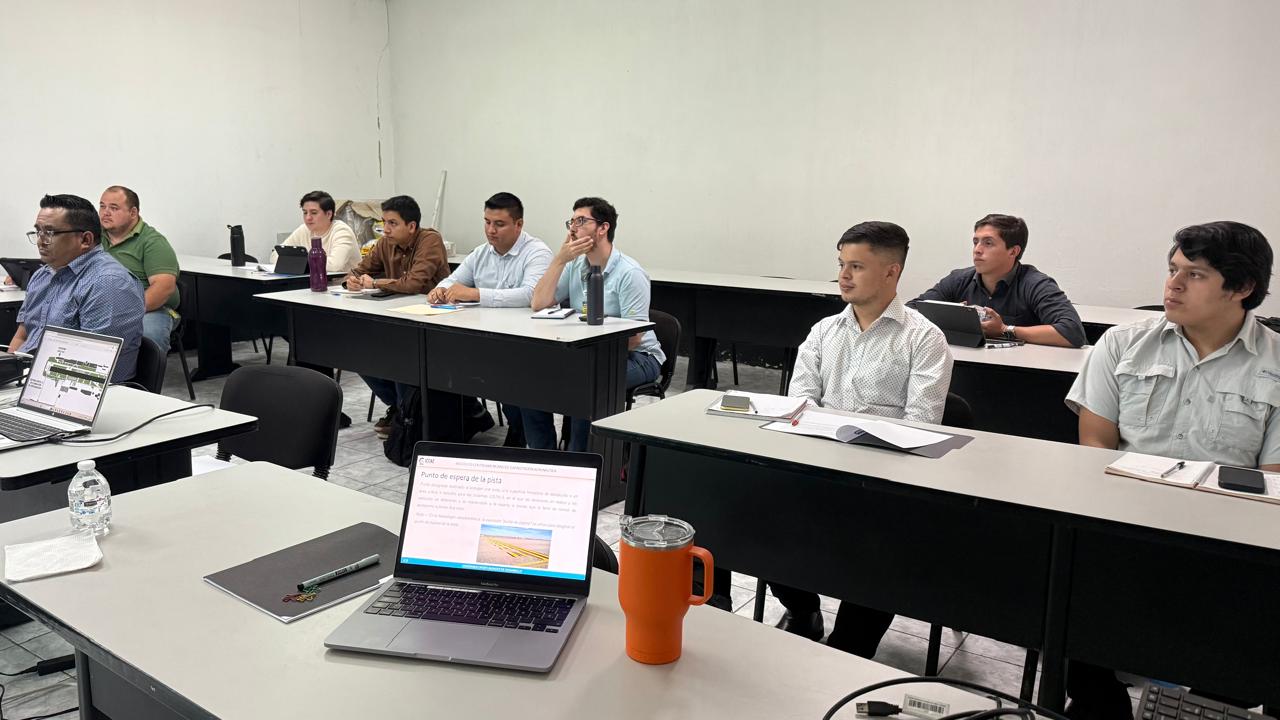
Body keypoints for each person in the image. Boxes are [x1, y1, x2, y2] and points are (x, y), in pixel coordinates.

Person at [1063, 221, 1279, 720]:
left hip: (1227, 543)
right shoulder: (1122, 344)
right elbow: (1094, 448)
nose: (1173, 285)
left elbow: (1272, 485)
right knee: (1074, 585)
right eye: (1172, 269)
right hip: (1124, 528)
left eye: (1195, 275)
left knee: (1237, 658)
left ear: (1242, 287)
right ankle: (1098, 699)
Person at [764, 221, 953, 657]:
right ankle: (803, 610)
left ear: (891, 272)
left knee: (884, 549)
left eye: (856, 267)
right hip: (819, 467)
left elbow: (920, 426)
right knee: (758, 512)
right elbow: (800, 404)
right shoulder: (823, 331)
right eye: (841, 265)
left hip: (883, 483)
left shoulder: (924, 338)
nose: (843, 276)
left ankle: (849, 648)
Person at [522, 197, 663, 451]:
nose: (573, 229)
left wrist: (586, 355)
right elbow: (539, 303)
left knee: (585, 383)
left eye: (581, 221)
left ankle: (580, 459)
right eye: (571, 222)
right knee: (530, 379)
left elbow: (635, 338)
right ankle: (544, 457)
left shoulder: (630, 273)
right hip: (587, 354)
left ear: (603, 228)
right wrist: (559, 260)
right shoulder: (576, 265)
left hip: (639, 357)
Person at [427, 192, 552, 446]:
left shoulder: (537, 253)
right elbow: (452, 280)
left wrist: (476, 294)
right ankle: (505, 426)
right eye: (487, 222)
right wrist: (440, 290)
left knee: (516, 380)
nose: (491, 230)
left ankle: (529, 437)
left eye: (499, 224)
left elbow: (530, 294)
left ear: (519, 224)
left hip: (528, 345)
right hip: (490, 340)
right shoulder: (481, 253)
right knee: (442, 364)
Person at [345, 195, 449, 437]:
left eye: (392, 223)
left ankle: (407, 414)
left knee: (401, 359)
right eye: (384, 223)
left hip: (433, 321)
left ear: (411, 226)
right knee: (359, 355)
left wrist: (376, 282)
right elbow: (359, 270)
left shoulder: (430, 240)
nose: (386, 230)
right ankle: (402, 408)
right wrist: (352, 280)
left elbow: (414, 283)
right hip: (395, 318)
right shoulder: (385, 243)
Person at [9, 194, 143, 381]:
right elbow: (22, 338)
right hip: (29, 378)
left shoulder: (108, 283)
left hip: (80, 386)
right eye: (38, 231)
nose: (40, 240)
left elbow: (90, 366)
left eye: (50, 233)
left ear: (85, 240)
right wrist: (8, 372)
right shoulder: (43, 275)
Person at [913, 214, 1085, 347]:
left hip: (1021, 373)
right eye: (975, 242)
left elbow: (1073, 332)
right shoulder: (959, 279)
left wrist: (1005, 330)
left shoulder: (1036, 284)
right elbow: (912, 310)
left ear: (1013, 251)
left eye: (988, 243)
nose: (977, 250)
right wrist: (949, 315)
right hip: (968, 366)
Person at [98, 186, 181, 355]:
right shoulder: (93, 237)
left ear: (133, 212)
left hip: (150, 308)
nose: (105, 213)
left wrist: (124, 312)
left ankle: (145, 374)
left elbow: (163, 288)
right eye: (102, 206)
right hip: (102, 305)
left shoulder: (152, 242)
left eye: (114, 208)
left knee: (149, 336)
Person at [271, 190, 360, 273]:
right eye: (305, 212)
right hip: (309, 281)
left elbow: (334, 265)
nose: (308, 218)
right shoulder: (304, 230)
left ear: (329, 214)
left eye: (314, 213)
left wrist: (297, 262)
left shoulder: (342, 231)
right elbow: (275, 255)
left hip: (341, 283)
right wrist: (301, 262)